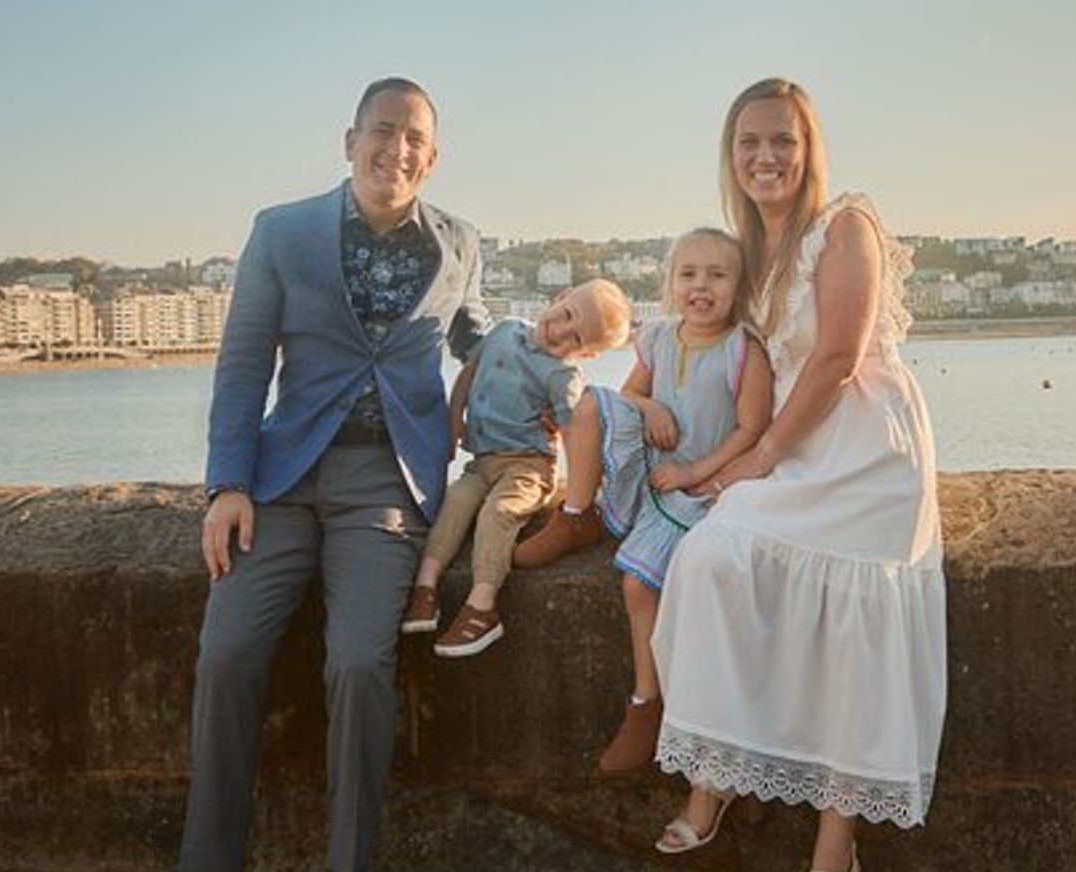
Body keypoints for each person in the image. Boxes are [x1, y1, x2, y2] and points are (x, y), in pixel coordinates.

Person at [181, 77, 489, 872]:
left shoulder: (459, 243)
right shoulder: (281, 233)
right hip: (280, 483)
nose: (399, 148)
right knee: (225, 654)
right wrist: (227, 486)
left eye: (416, 137)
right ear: (349, 140)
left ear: (434, 156)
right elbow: (244, 363)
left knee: (357, 662)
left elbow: (479, 344)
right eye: (383, 131)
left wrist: (559, 395)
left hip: (387, 488)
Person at [648, 79, 946, 872]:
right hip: (790, 440)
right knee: (710, 561)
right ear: (731, 157)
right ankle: (717, 772)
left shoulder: (844, 225)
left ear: (808, 149)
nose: (766, 157)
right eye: (749, 143)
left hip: (864, 452)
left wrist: (762, 457)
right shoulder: (749, 254)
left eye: (783, 140)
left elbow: (839, 358)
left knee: (855, 624)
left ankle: (835, 839)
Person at [512, 227, 774, 775]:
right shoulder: (659, 338)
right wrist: (649, 409)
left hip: (699, 490)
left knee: (638, 583)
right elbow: (631, 394)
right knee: (590, 405)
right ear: (670, 283)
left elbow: (753, 429)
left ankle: (645, 705)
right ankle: (577, 516)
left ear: (739, 286)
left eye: (717, 276)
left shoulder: (742, 350)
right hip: (652, 475)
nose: (700, 287)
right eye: (688, 275)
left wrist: (697, 472)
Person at [399, 278, 632, 657]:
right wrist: (453, 420)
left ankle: (482, 604)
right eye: (566, 314)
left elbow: (574, 431)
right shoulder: (506, 330)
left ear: (586, 355)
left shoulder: (562, 376)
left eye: (574, 338)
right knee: (455, 502)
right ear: (561, 296)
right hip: (482, 461)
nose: (558, 332)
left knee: (497, 513)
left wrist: (578, 496)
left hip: (529, 466)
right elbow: (470, 372)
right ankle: (426, 586)